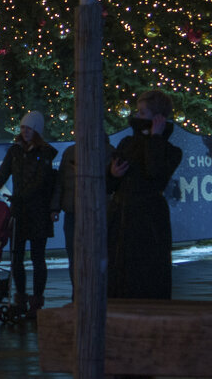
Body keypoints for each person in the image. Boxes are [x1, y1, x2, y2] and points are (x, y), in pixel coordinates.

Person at [0, 110, 57, 319]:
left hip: (38, 211)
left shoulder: (45, 153)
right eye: (23, 128)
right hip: (20, 211)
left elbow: (41, 181)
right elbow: (3, 173)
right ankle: (20, 298)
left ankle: (36, 301)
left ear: (37, 130)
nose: (25, 132)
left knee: (38, 257)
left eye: (29, 128)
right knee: (16, 257)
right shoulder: (15, 151)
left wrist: (23, 196)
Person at [108, 89, 183, 299]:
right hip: (121, 216)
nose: (137, 116)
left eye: (143, 113)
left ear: (157, 117)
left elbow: (154, 171)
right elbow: (110, 184)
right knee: (119, 273)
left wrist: (155, 138)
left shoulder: (171, 150)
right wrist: (113, 174)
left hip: (148, 220)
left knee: (147, 275)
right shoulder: (127, 144)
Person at [50, 135, 112, 298]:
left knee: (94, 254)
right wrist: (55, 206)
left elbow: (110, 182)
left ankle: (95, 293)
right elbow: (61, 181)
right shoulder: (71, 151)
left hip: (95, 212)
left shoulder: (107, 151)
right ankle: (78, 293)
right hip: (73, 211)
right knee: (74, 255)